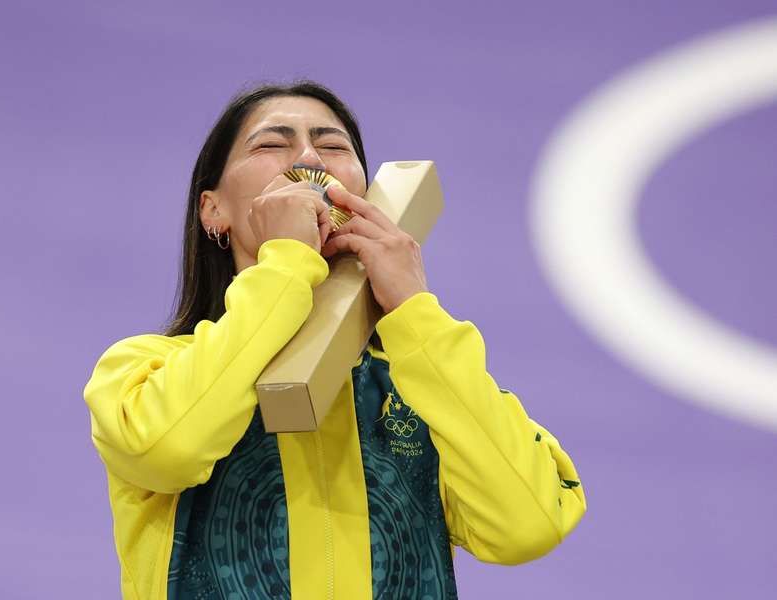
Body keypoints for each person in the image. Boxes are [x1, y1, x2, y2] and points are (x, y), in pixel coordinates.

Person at [83, 80, 587, 600]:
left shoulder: (416, 384)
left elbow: (529, 525)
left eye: (333, 146)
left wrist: (415, 312)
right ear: (214, 210)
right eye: (271, 145)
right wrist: (286, 265)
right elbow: (169, 448)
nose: (308, 159)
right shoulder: (142, 369)